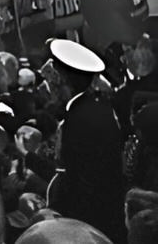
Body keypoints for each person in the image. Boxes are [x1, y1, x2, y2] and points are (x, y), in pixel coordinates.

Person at [46, 38, 125, 242]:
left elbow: (74, 177)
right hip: (110, 215)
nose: (51, 87)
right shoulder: (100, 108)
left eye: (55, 79)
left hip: (90, 220)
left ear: (66, 81)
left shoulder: (77, 119)